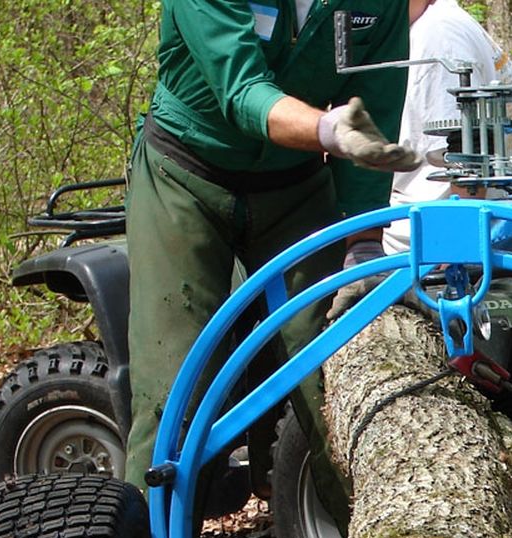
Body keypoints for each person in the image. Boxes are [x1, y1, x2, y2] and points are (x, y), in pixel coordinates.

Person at [124, 0, 419, 507]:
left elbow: (376, 102)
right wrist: (329, 130)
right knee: (176, 390)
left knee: (335, 371)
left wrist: (363, 240)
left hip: (297, 186)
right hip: (186, 173)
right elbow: (242, 92)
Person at [383, 0, 512, 255]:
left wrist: (457, 249)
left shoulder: (438, 35)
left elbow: (466, 160)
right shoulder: (437, 24)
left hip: (435, 240)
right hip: (466, 222)